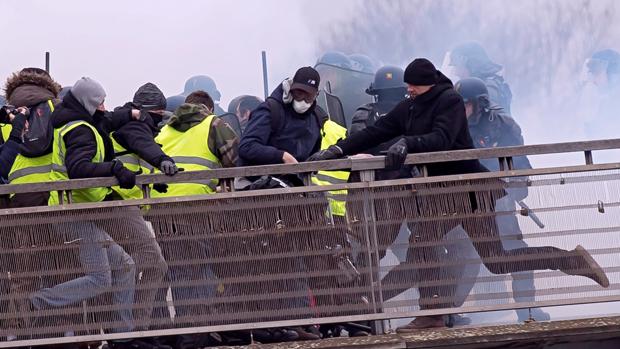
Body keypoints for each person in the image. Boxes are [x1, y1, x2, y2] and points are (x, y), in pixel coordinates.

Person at [308, 58, 610, 331]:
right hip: (446, 194)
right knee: (472, 254)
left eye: (414, 86)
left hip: (469, 191)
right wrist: (337, 150)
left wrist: (408, 144)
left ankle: (435, 313)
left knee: (466, 252)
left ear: (428, 84)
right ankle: (434, 314)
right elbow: (376, 132)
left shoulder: (448, 101)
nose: (410, 90)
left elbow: (443, 138)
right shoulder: (410, 107)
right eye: (408, 86)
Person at [43, 77, 148, 348]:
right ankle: (37, 302)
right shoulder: (81, 130)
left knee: (126, 265)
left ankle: (122, 337)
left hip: (78, 209)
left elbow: (109, 119)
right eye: (99, 101)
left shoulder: (76, 121)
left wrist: (131, 113)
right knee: (101, 278)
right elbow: (78, 168)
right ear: (89, 103)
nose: (103, 106)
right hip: (73, 213)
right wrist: (114, 169)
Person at [456, 77, 551, 322]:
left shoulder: (503, 126)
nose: (461, 109)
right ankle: (446, 313)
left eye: (465, 103)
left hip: (499, 202)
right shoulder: (451, 126)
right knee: (465, 258)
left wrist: (513, 193)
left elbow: (521, 164)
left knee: (519, 253)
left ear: (480, 103)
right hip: (462, 204)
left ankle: (527, 310)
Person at [149, 90, 238, 348]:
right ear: (208, 109)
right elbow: (236, 161)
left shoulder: (165, 129)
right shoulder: (215, 124)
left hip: (161, 210)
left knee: (175, 270)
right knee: (196, 270)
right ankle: (191, 336)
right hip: (197, 209)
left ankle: (170, 332)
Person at [447, 42, 513, 114]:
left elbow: (487, 122)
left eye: (458, 66)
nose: (456, 73)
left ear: (471, 65)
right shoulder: (478, 88)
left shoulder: (488, 90)